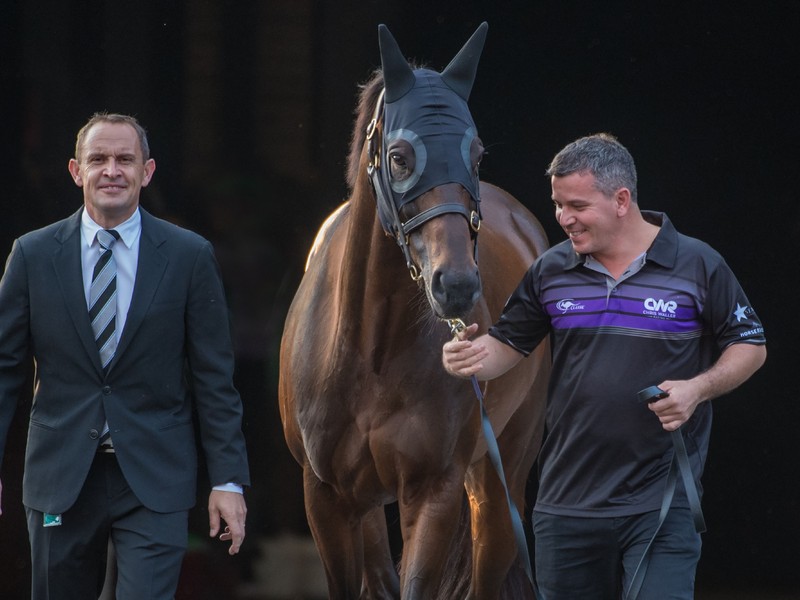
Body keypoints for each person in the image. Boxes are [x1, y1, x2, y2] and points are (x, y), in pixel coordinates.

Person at [442, 133, 766, 599]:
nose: (563, 218)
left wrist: (698, 388)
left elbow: (751, 345)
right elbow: (504, 347)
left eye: (576, 205)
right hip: (564, 505)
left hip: (661, 505)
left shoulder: (697, 264)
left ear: (621, 199)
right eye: (557, 205)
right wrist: (469, 357)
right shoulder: (551, 270)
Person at [0, 112, 251, 599]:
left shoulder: (188, 256)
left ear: (147, 171)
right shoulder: (31, 256)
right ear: (76, 171)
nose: (111, 170)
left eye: (124, 159)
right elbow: (4, 369)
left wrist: (228, 480)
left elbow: (214, 378)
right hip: (61, 476)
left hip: (154, 478)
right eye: (98, 159)